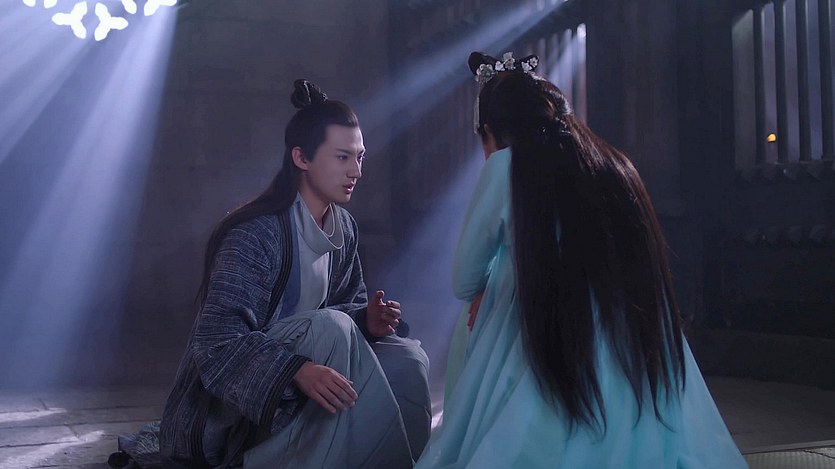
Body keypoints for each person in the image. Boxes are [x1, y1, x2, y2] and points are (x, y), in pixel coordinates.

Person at [415, 53, 747, 468]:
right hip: (639, 344)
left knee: (486, 296)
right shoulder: (616, 165)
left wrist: (495, 275)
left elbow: (464, 280)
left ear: (490, 132)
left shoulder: (506, 166)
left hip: (552, 336)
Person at [160, 79, 431, 468]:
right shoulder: (255, 233)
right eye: (342, 157)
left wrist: (367, 321)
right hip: (244, 406)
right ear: (301, 158)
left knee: (408, 357)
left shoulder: (344, 227)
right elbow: (216, 343)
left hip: (320, 372)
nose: (356, 170)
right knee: (332, 327)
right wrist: (296, 371)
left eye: (360, 157)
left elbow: (345, 308)